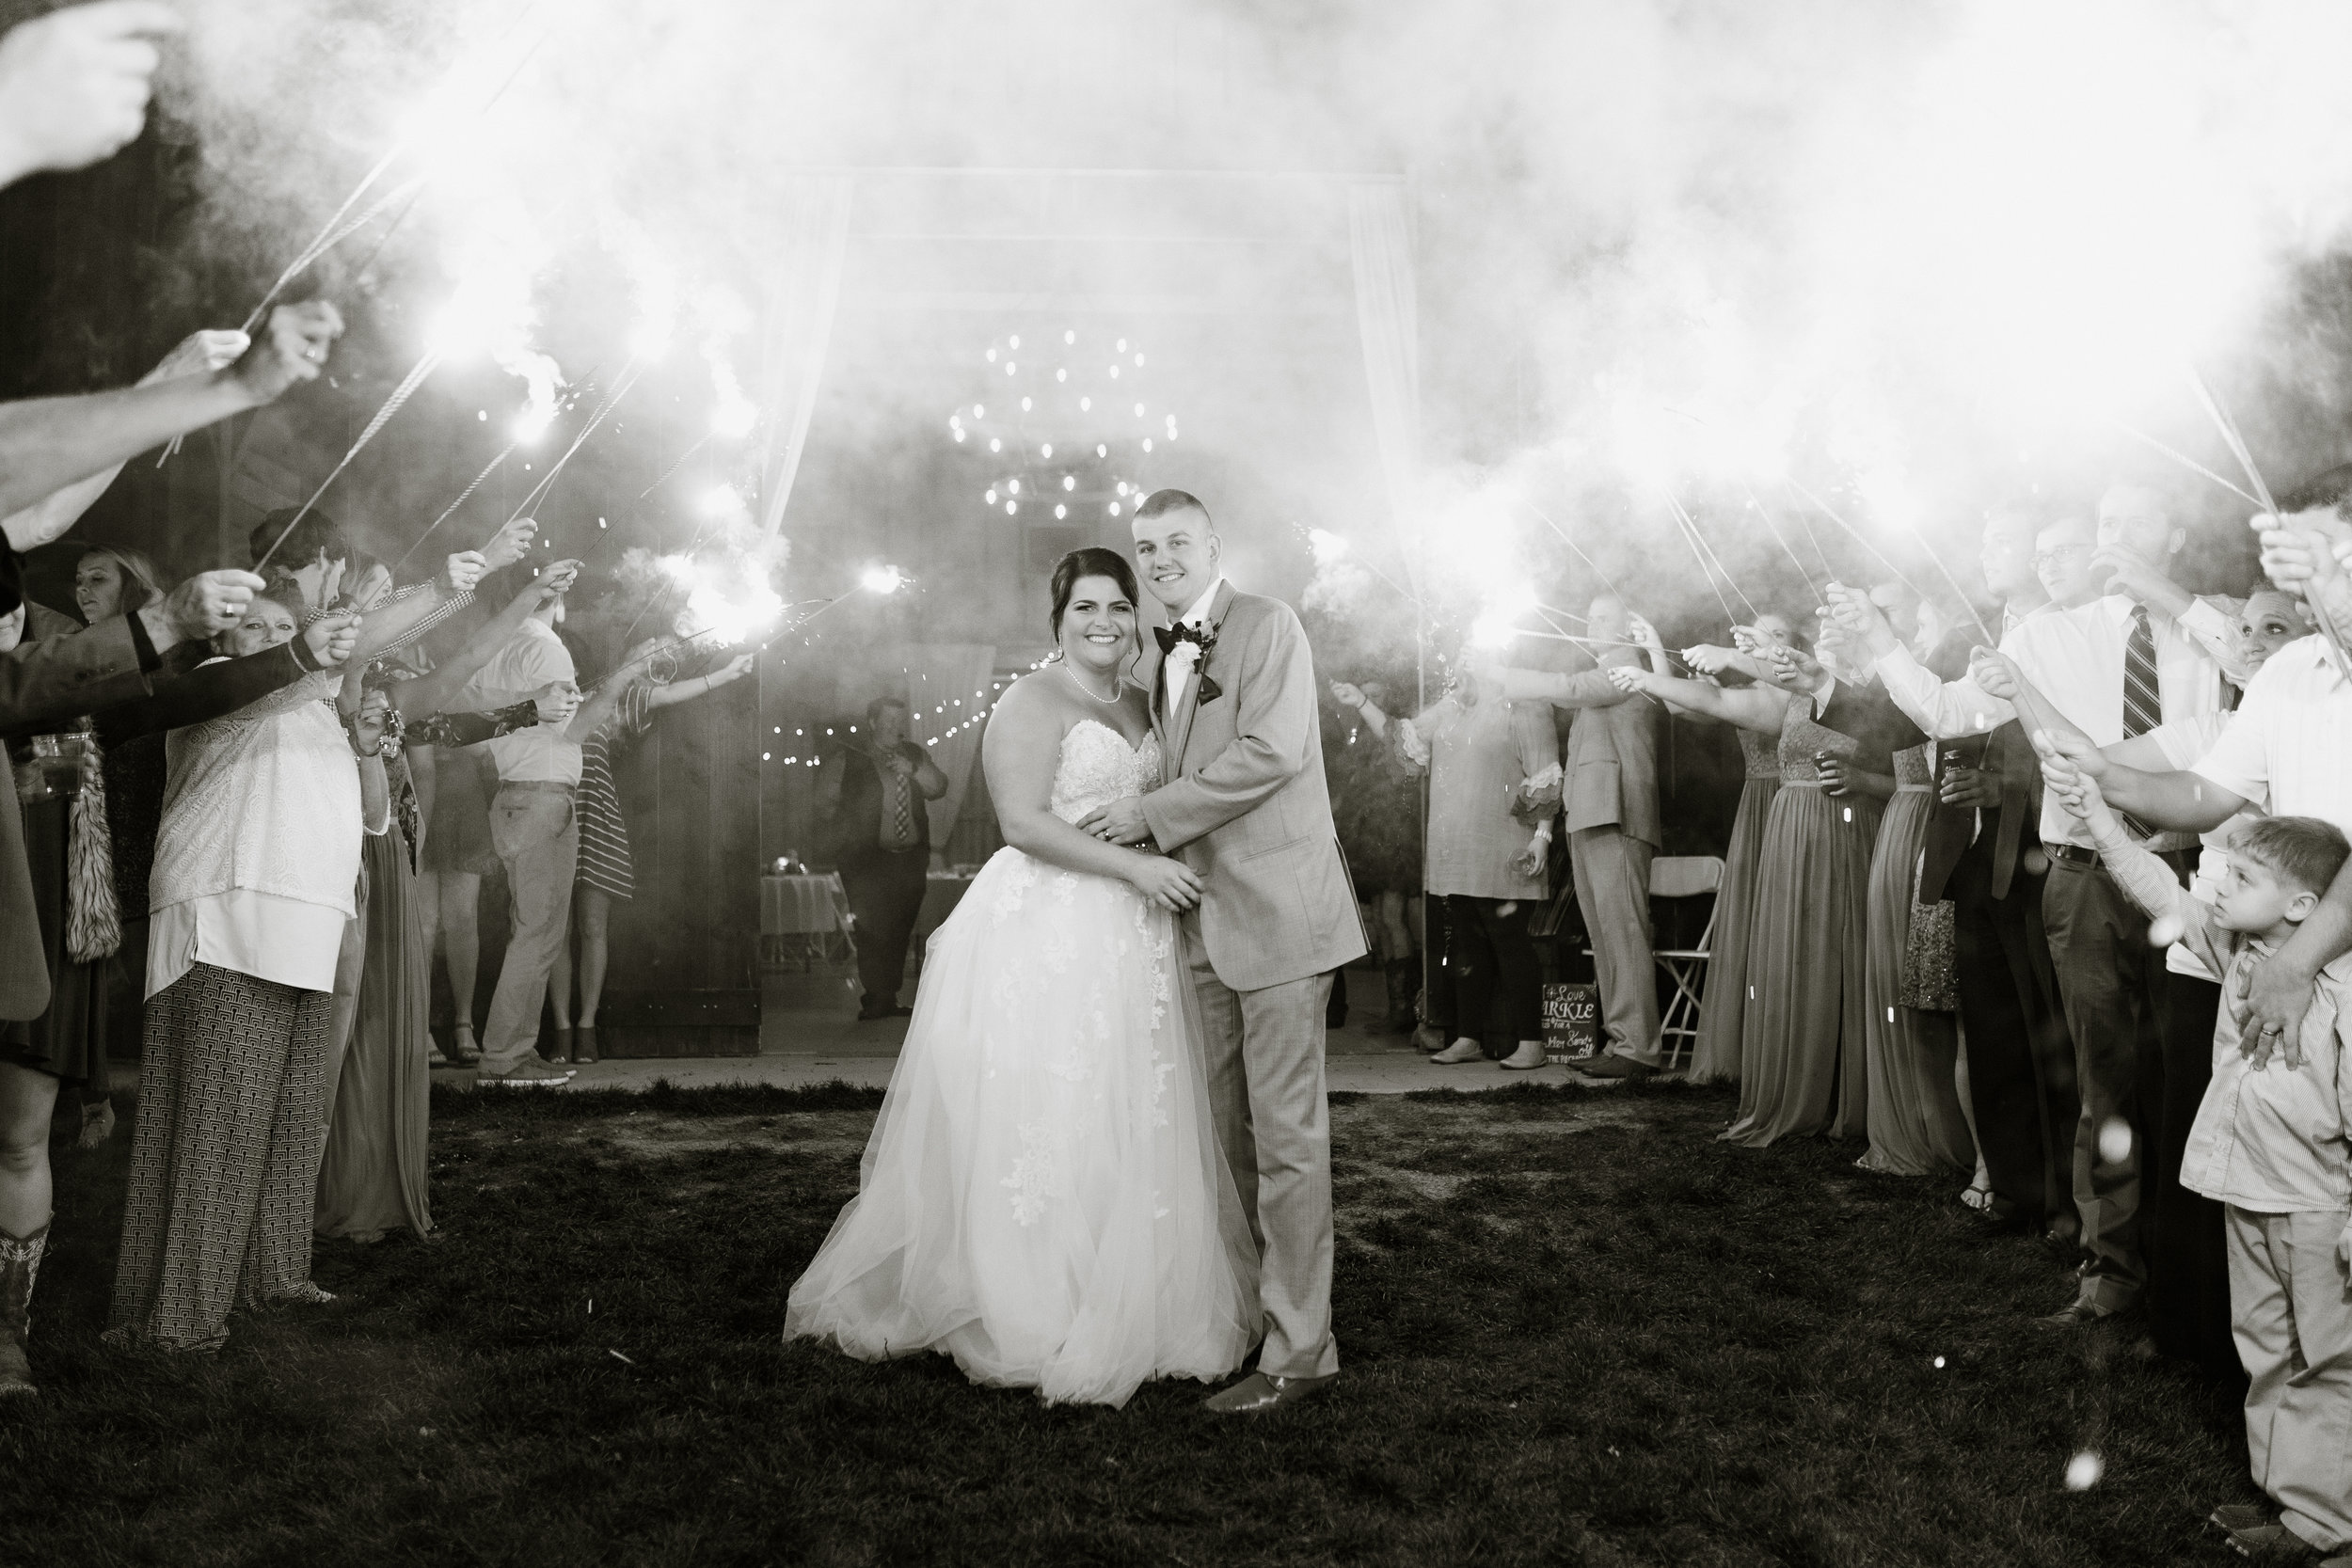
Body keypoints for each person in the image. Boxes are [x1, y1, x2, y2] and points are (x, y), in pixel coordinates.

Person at [787, 548, 1256, 1408]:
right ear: (1059, 619)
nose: (1104, 621)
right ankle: (1034, 1303)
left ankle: (1135, 1294)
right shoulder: (1030, 698)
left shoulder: (1141, 701)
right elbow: (1023, 823)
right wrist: (1138, 869)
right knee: (1051, 1109)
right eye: (1085, 608)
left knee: (1130, 1101)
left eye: (1119, 606)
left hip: (1134, 933)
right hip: (1052, 927)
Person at [1847, 481, 2243, 1329]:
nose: (2102, 543)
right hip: (2085, 879)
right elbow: (1950, 711)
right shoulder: (2040, 634)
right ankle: (2109, 1275)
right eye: (2097, 528)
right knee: (2106, 1080)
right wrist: (1881, 640)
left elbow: (2248, 669)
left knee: (2191, 1082)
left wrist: (2167, 596)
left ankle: (2192, 1289)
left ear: (2173, 537)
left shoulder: (2208, 625)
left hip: (2193, 877)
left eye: (2128, 525)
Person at [1074, 489, 1367, 1414]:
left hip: (1278, 919)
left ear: (1212, 546)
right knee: (1219, 1139)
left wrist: (1148, 814)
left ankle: (1301, 1352)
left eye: (1176, 542)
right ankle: (1248, 1315)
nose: (1159, 558)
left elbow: (1271, 751)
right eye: (1144, 547)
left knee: (1286, 1142)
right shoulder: (1154, 654)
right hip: (1198, 921)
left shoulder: (1268, 624)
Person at [2038, 746, 2352, 1564]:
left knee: (2328, 1358)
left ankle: (2327, 1521)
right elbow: (2157, 888)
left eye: (2242, 877)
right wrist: (2098, 818)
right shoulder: (2238, 957)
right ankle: (2291, 1497)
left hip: (2318, 1210)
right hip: (2249, 1192)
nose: (2219, 885)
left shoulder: (2341, 992)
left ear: (2304, 906)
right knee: (2267, 1346)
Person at [106, 581, 389, 1352]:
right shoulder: (215, 687)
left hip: (306, 919)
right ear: (223, 642)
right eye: (254, 627)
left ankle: (274, 1276)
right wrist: (445, 588)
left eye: (283, 626)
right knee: (219, 1125)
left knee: (290, 1118)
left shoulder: (318, 711)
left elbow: (369, 814)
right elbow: (302, 665)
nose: (272, 637)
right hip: (228, 915)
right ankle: (181, 1318)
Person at [1340, 658, 1556, 1069]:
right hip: (1456, 847)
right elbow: (1401, 738)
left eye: (1472, 656)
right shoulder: (1451, 707)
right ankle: (1467, 1038)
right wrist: (1362, 703)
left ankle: (1531, 1042)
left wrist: (1542, 836)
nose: (1464, 664)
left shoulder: (1525, 705)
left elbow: (1544, 771)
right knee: (1466, 945)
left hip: (1504, 844)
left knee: (1510, 942)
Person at [548, 642, 755, 1063]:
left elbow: (667, 694)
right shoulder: (541, 704)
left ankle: (587, 1026)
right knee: (553, 930)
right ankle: (561, 1030)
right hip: (550, 811)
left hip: (596, 816)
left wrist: (726, 674)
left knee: (592, 925)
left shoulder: (608, 700)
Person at [1486, 594, 1662, 1078]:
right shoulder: (1605, 672)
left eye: (1604, 619)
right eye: (1589, 619)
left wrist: (1505, 675)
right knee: (1605, 935)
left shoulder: (1628, 667)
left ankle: (1639, 1047)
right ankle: (1622, 1039)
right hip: (1590, 814)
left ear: (1629, 628)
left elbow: (1569, 687)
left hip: (1616, 814)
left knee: (1623, 933)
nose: (1591, 626)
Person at [1671, 611, 1802, 1084]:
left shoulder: (1793, 691)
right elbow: (1678, 708)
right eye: (1761, 635)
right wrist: (1652, 651)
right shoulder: (1744, 690)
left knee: (1783, 921)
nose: (1768, 642)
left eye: (1779, 634)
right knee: (1750, 920)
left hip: (1792, 801)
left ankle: (1779, 1051)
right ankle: (1744, 1051)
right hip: (1755, 802)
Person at [827, 695, 948, 1022]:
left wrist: (913, 771)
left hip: (909, 860)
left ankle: (887, 996)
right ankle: (877, 998)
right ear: (872, 722)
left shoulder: (914, 754)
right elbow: (824, 801)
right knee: (871, 927)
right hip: (865, 861)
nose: (897, 727)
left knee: (899, 926)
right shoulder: (850, 755)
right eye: (889, 721)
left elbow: (938, 788)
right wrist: (846, 833)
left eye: (900, 721)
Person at [1323, 674, 1423, 1034]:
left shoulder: (1393, 730)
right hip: (1372, 837)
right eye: (1365, 694)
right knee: (1381, 919)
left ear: (1388, 696)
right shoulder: (1361, 739)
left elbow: (1403, 772)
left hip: (1395, 835)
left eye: (1375, 694)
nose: (1368, 699)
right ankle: (1397, 1006)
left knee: (1393, 917)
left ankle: (1405, 1007)